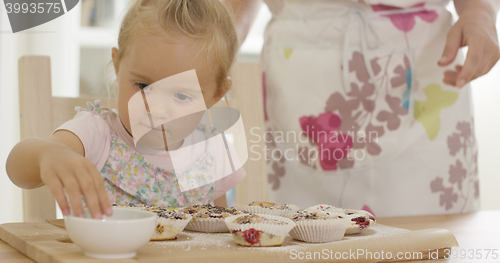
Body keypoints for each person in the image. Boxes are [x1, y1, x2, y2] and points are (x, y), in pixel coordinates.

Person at [224, 0, 499, 216]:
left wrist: (480, 11)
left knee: (431, 243)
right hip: (295, 79)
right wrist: (214, 50)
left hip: (425, 76)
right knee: (298, 239)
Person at [6, 0, 244, 220]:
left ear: (215, 95)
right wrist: (47, 154)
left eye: (181, 95)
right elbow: (16, 167)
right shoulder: (97, 134)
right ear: (117, 65)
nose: (157, 110)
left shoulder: (211, 151)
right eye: (143, 86)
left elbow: (216, 233)